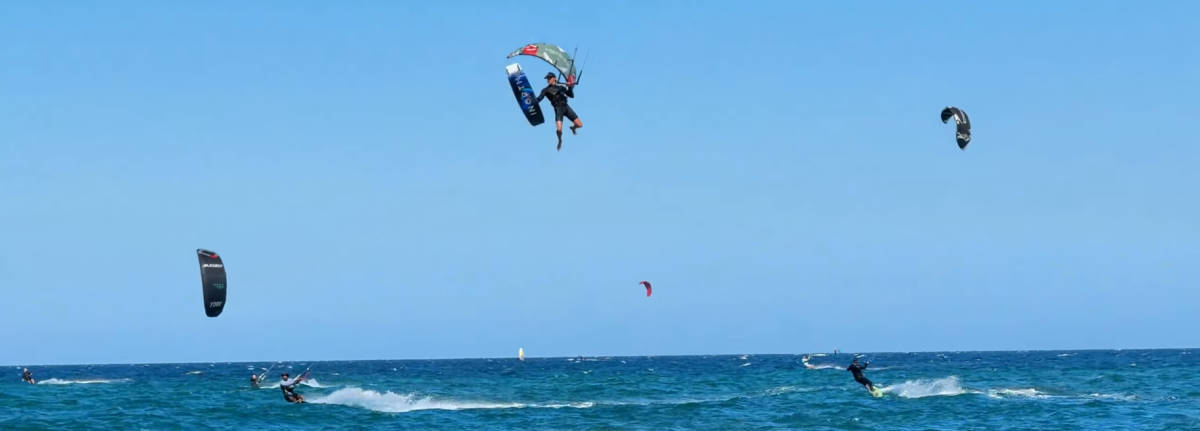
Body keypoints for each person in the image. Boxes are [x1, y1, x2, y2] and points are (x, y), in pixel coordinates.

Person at [536, 72, 583, 151]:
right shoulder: (545, 90)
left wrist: (569, 87)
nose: (548, 80)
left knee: (580, 125)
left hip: (566, 107)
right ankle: (560, 140)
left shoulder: (561, 87)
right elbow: (539, 99)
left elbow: (571, 96)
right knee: (559, 130)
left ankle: (573, 128)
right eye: (547, 79)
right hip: (558, 109)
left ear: (554, 78)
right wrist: (532, 101)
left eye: (549, 78)